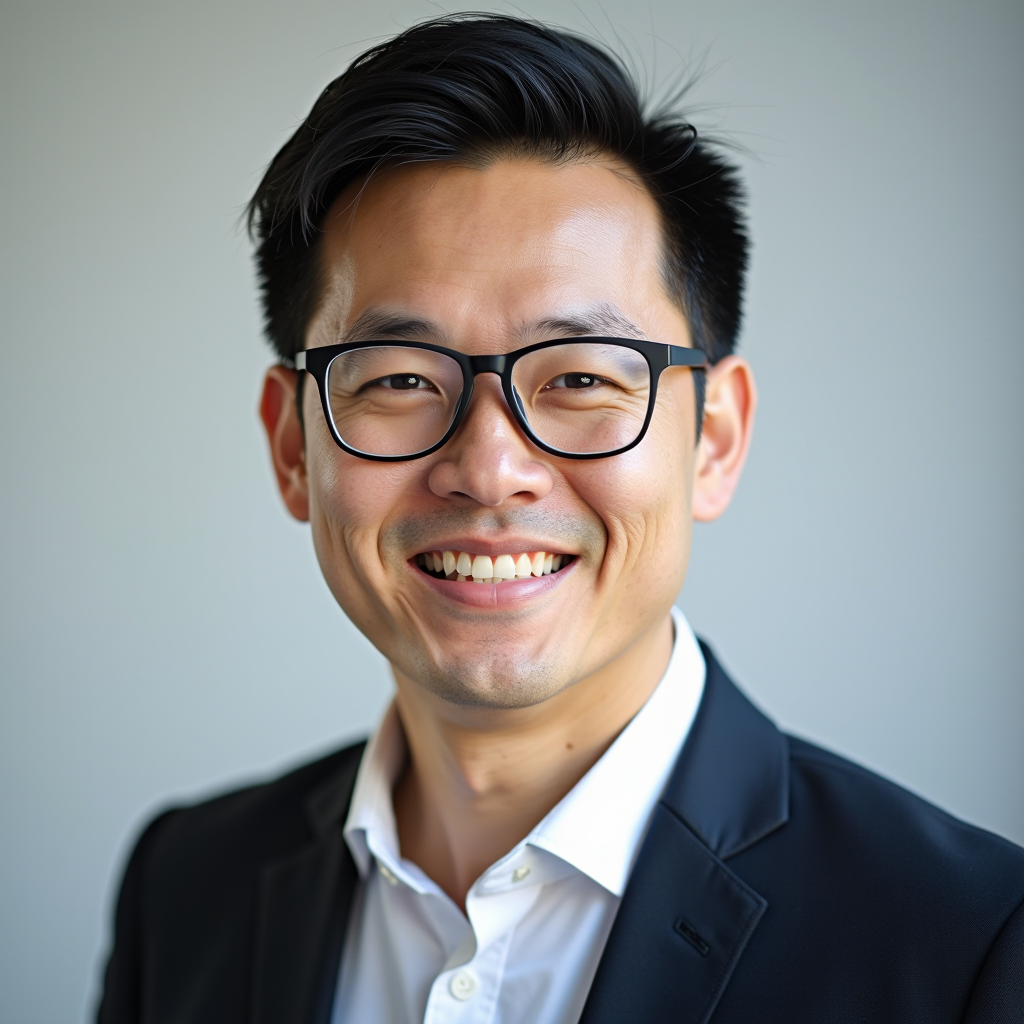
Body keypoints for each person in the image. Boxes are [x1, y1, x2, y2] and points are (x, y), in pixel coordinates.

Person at [96, 15, 1024, 1024]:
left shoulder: (966, 941)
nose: (489, 468)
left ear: (713, 437)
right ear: (292, 447)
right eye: (401, 378)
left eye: (580, 376)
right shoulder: (186, 882)